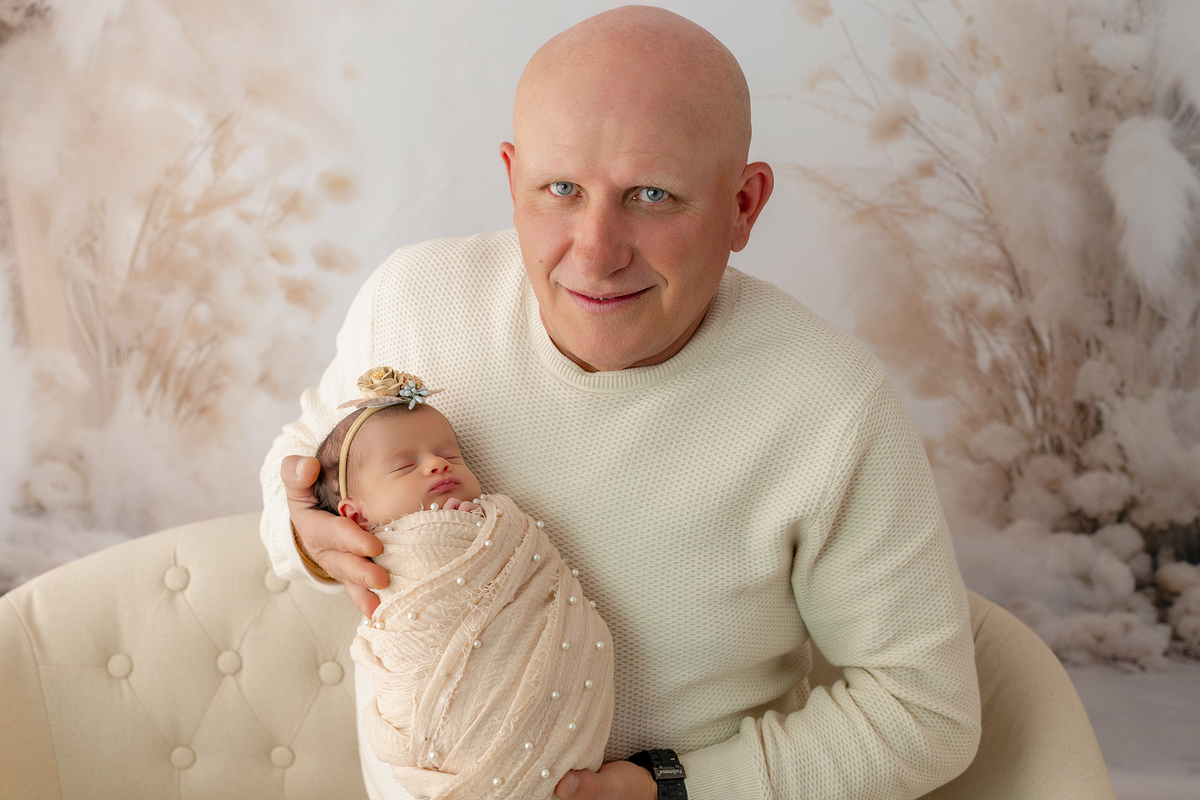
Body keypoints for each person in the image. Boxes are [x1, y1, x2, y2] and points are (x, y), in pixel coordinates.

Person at [260, 6, 981, 800]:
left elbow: (927, 711)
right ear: (510, 178)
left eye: (653, 194)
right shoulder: (414, 300)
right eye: (561, 188)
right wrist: (302, 528)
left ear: (744, 204)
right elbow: (304, 451)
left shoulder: (830, 405)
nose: (596, 251)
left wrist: (669, 790)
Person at [312, 366, 614, 800]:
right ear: (356, 517)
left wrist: (471, 527)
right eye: (404, 467)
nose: (437, 464)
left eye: (451, 456)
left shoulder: (498, 525)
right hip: (433, 720)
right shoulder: (388, 551)